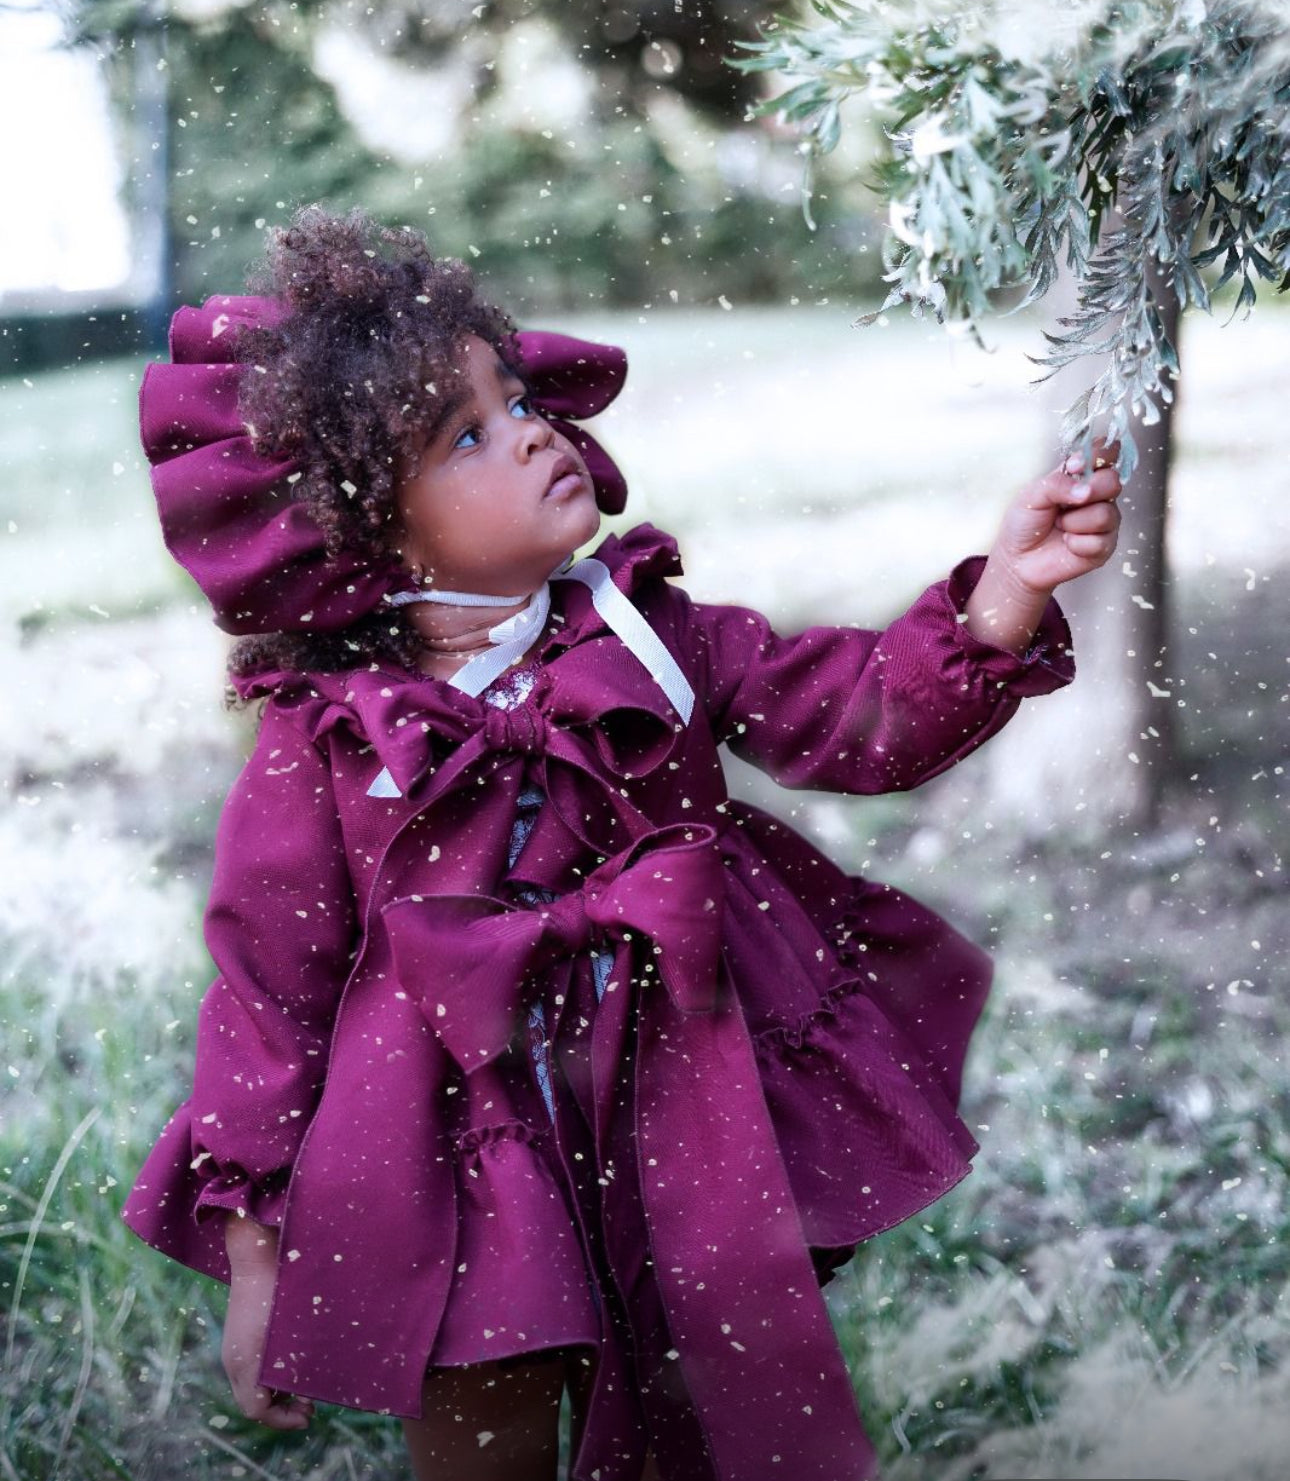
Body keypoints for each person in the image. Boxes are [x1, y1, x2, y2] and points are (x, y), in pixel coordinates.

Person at [122, 204, 1122, 1481]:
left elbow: (855, 712)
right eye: (466, 435)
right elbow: (272, 987)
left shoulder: (649, 634)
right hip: (455, 1118)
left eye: (515, 398)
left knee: (688, 1380)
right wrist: (258, 1250)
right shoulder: (328, 741)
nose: (532, 431)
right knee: (484, 1394)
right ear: (369, 530)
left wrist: (1002, 598)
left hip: (675, 1080)